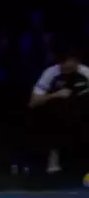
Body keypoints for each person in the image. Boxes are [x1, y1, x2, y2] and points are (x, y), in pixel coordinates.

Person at [28, 47, 89, 179]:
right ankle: (53, 160)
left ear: (76, 61)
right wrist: (55, 95)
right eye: (63, 63)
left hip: (81, 113)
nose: (66, 66)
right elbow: (33, 102)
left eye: (71, 62)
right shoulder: (50, 73)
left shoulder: (85, 73)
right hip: (57, 115)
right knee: (55, 112)